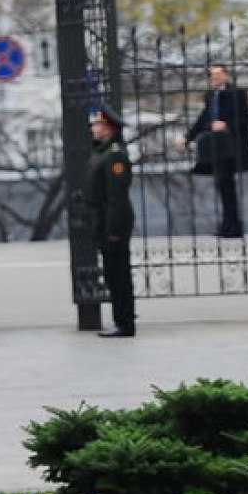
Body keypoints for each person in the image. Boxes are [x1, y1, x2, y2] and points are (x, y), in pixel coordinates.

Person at [178, 64, 248, 239]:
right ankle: (228, 225)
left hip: (232, 145)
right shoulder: (211, 95)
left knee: (226, 184)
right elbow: (204, 119)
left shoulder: (237, 93)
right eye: (212, 76)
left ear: (226, 75)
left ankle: (232, 225)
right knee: (222, 185)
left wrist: (226, 124)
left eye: (218, 75)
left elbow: (245, 119)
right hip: (216, 146)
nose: (215, 79)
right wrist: (188, 137)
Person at [85, 106, 136, 338]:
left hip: (113, 223)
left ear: (108, 128)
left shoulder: (114, 155)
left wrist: (112, 229)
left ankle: (125, 323)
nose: (93, 129)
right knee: (113, 274)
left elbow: (117, 197)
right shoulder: (102, 152)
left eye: (96, 125)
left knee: (118, 275)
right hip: (104, 220)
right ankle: (121, 320)